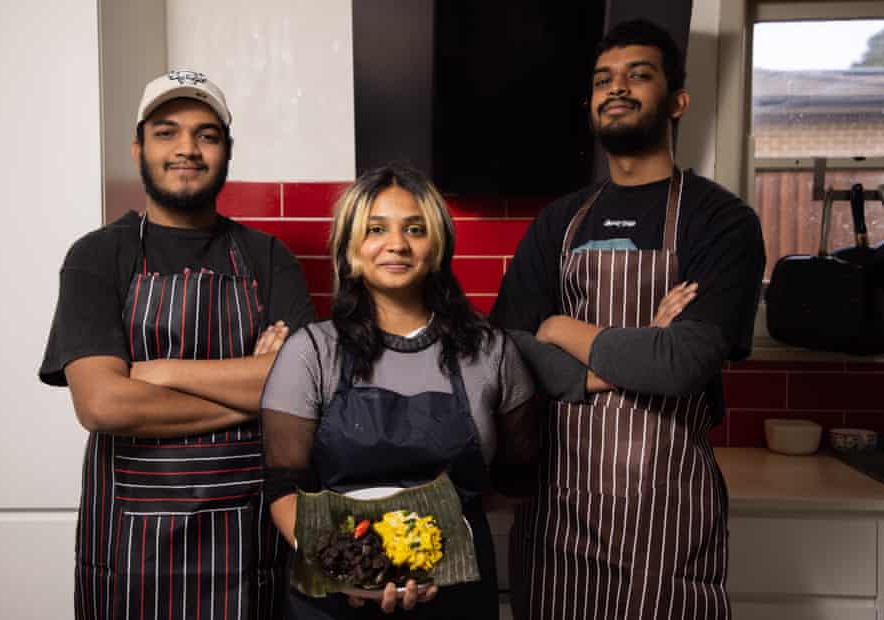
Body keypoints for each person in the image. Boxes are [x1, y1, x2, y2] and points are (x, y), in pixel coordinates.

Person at [490, 19, 766, 620]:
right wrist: (639, 351)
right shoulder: (559, 221)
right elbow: (504, 353)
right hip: (558, 508)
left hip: (665, 514)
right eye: (602, 80)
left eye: (639, 75)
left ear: (677, 101)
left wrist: (560, 328)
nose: (616, 89)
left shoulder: (720, 220)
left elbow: (681, 365)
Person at [40, 70, 316, 619]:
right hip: (130, 555)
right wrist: (253, 388)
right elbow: (102, 404)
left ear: (227, 152)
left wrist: (155, 371)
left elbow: (307, 389)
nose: (187, 149)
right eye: (167, 132)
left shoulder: (267, 256)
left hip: (247, 541)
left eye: (207, 135)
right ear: (139, 148)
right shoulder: (98, 256)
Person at [259, 162, 537, 619]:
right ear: (351, 248)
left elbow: (516, 478)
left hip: (458, 598)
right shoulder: (311, 352)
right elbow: (285, 489)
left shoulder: (491, 352)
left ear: (438, 244)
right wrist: (354, 569)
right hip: (334, 593)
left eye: (414, 228)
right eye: (375, 229)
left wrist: (438, 553)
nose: (396, 244)